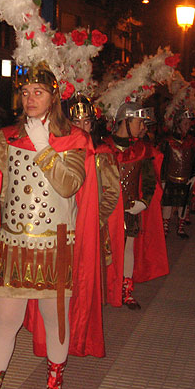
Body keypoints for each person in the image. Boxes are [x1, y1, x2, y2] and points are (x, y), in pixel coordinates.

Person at [0, 65, 102, 389]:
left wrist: (43, 147)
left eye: (39, 92)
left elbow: (68, 186)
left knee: (55, 320)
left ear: (54, 97)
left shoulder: (76, 139)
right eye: (25, 92)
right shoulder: (5, 137)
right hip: (13, 244)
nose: (30, 98)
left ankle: (53, 386)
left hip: (55, 243)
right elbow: (1, 193)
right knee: (6, 320)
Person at [101, 102, 166, 309]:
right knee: (104, 250)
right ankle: (104, 288)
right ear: (126, 121)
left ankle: (126, 290)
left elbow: (149, 180)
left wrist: (143, 202)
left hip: (130, 209)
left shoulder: (142, 150)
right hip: (106, 211)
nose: (144, 127)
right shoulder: (103, 147)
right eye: (140, 122)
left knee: (128, 248)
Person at [67, 95, 120, 305]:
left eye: (86, 122)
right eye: (76, 122)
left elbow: (112, 192)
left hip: (91, 225)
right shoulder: (62, 151)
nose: (81, 127)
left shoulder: (103, 154)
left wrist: (95, 219)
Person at [160, 110, 195, 238]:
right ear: (178, 123)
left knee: (184, 203)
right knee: (167, 203)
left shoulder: (193, 142)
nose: (187, 126)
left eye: (189, 123)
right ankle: (165, 226)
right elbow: (164, 161)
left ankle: (180, 227)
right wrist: (162, 179)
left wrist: (194, 175)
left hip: (185, 178)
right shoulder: (168, 141)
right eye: (185, 123)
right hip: (170, 177)